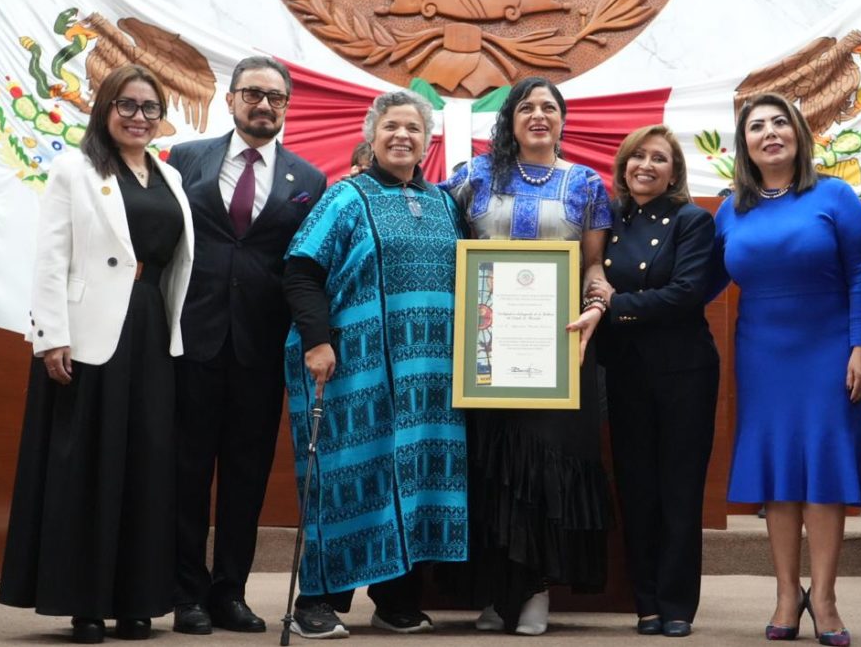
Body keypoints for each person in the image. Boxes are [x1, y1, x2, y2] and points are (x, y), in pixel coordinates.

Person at [0, 64, 194, 644]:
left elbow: (176, 262)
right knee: (86, 465)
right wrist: (51, 335)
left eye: (150, 108)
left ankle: (137, 602)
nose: (139, 117)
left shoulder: (170, 177)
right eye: (127, 105)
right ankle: (83, 603)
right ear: (105, 109)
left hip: (151, 328)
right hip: (84, 335)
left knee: (145, 463)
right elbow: (50, 258)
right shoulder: (74, 169)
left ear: (162, 119)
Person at [280, 89, 467, 639]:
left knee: (414, 480)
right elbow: (300, 270)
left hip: (428, 379)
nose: (402, 136)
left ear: (427, 140)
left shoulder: (444, 203)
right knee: (344, 479)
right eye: (391, 127)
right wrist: (317, 341)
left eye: (413, 127)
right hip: (350, 372)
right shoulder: (346, 198)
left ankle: (396, 600)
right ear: (372, 135)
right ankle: (319, 599)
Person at [706, 92, 861, 646]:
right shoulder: (732, 206)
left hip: (830, 349)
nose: (769, 132)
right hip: (763, 353)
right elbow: (703, 281)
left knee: (825, 473)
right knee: (779, 473)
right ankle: (787, 593)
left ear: (799, 134)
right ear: (745, 146)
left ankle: (825, 598)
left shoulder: (834, 194)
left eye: (780, 122)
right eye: (756, 126)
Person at [440, 76, 614, 636]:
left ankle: (536, 591)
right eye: (527, 107)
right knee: (491, 467)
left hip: (560, 350)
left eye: (549, 107)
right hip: (483, 349)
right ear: (510, 119)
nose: (538, 115)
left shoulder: (586, 185)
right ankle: (495, 593)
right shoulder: (469, 178)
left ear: (563, 120)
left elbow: (593, 267)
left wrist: (597, 303)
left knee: (543, 473)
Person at [167, 56, 327, 635]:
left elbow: (304, 267)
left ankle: (229, 592)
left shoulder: (308, 181)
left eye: (276, 98)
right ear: (231, 99)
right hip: (191, 338)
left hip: (261, 349)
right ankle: (184, 592)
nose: (264, 105)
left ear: (287, 107)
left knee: (245, 476)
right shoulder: (185, 159)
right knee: (186, 473)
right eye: (253, 94)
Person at [588, 125, 719, 638]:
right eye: (636, 156)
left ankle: (678, 604)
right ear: (622, 166)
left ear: (674, 172)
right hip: (625, 371)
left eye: (658, 158)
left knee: (680, 490)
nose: (645, 165)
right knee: (637, 487)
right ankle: (646, 602)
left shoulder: (692, 221)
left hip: (684, 372)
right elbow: (588, 275)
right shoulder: (607, 221)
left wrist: (612, 305)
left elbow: (687, 293)